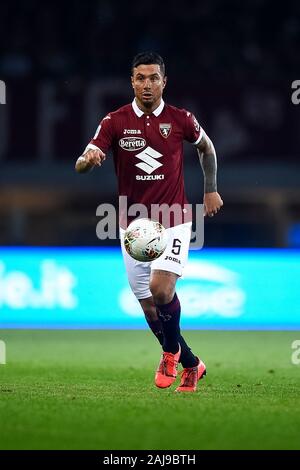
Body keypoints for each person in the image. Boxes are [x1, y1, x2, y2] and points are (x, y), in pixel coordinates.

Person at [75, 52, 223, 392]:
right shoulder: (114, 121)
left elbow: (207, 148)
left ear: (164, 81)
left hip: (173, 219)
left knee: (160, 290)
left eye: (153, 78)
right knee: (150, 307)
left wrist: (211, 190)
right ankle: (190, 363)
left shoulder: (180, 119)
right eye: (140, 78)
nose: (147, 84)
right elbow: (81, 163)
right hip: (132, 226)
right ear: (132, 81)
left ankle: (169, 352)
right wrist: (89, 158)